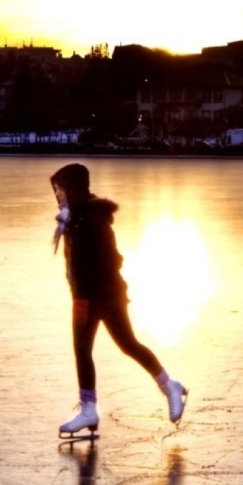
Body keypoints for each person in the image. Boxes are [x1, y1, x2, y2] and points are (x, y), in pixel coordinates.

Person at [49, 163, 185, 437]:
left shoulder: (90, 218)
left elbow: (110, 259)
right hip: (86, 295)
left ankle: (170, 386)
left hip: (104, 295)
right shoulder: (73, 218)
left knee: (127, 344)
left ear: (74, 189)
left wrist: (87, 297)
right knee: (83, 350)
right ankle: (89, 409)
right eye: (56, 191)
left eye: (61, 189)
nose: (58, 195)